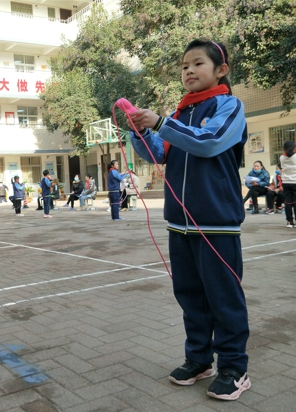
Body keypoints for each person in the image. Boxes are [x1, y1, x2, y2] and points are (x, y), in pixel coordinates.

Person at [127, 39, 250, 400]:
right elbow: (160, 153)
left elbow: (210, 141)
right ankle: (199, 359)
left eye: (198, 64)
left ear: (221, 70)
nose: (189, 71)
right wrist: (142, 132)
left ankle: (234, 367)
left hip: (216, 222)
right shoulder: (180, 114)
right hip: (179, 224)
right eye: (184, 66)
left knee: (223, 297)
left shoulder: (229, 106)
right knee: (191, 296)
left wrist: (161, 122)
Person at [280, 140, 296, 227]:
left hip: (286, 182)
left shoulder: (282, 158)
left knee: (288, 203)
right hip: (295, 182)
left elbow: (285, 155)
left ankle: (289, 222)